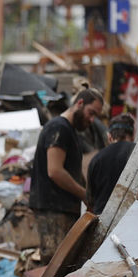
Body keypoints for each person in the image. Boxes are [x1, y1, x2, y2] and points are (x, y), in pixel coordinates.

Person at [30, 88, 104, 259]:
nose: (92, 120)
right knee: (54, 266)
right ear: (79, 103)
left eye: (95, 116)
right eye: (90, 113)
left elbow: (73, 171)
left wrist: (91, 192)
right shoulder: (59, 128)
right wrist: (85, 195)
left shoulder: (69, 131)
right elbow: (55, 171)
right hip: (53, 210)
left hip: (60, 210)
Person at [86, 113, 135, 214]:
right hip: (133, 219)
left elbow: (90, 199)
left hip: (102, 219)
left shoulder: (96, 159)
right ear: (133, 135)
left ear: (109, 136)